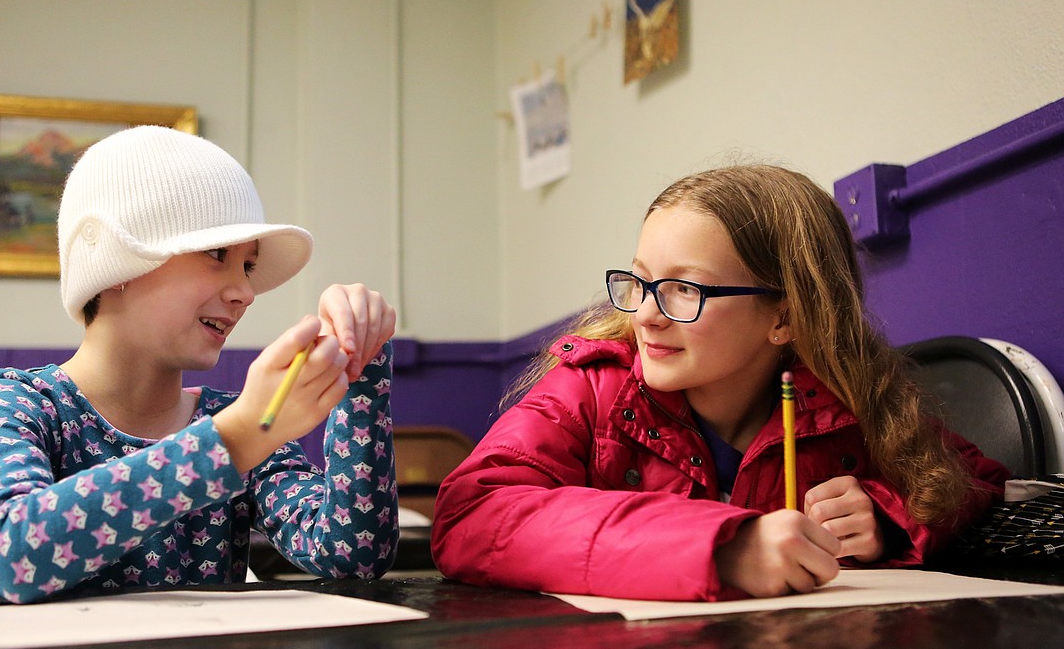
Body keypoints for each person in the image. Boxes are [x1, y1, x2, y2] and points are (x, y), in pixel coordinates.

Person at [431, 164, 1008, 602]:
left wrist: (884, 518)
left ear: (784, 317)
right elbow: (473, 514)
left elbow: (975, 483)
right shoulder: (593, 389)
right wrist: (725, 549)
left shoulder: (848, 399)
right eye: (641, 281)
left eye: (686, 289)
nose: (647, 316)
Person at [0, 126, 398, 604]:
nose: (246, 293)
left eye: (247, 266)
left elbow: (354, 555)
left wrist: (361, 370)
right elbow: (11, 553)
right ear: (117, 265)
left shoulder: (238, 422)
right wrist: (239, 435)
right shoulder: (16, 405)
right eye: (216, 254)